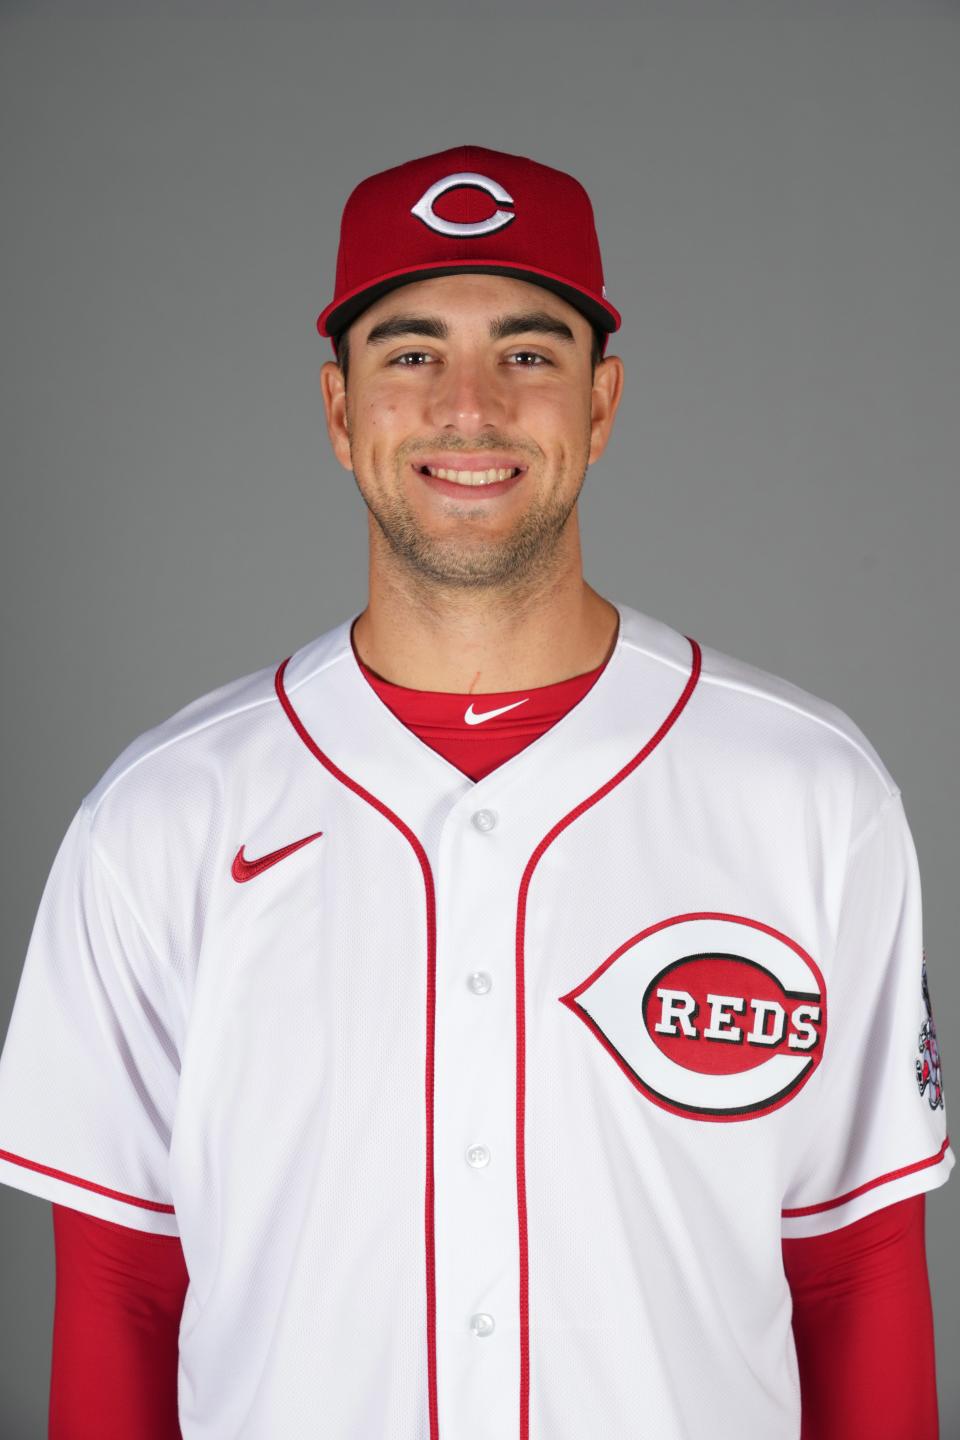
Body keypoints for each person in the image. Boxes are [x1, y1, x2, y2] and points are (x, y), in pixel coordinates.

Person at [0, 143, 952, 1440]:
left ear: (602, 403)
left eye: (527, 353)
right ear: (338, 412)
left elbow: (853, 1272)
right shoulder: (160, 822)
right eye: (407, 354)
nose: (468, 407)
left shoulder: (809, 795)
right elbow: (120, 1289)